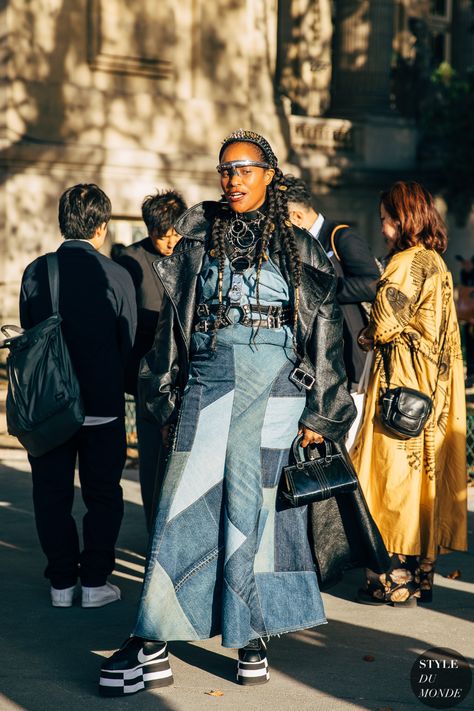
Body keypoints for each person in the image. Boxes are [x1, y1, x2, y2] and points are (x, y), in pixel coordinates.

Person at [99, 129, 355, 696]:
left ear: (269, 174)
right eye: (225, 170)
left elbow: (327, 330)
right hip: (210, 383)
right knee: (178, 508)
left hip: (278, 392)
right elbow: (172, 326)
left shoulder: (302, 246)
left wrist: (323, 413)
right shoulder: (196, 237)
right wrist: (165, 395)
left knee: (258, 511)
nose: (232, 179)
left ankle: (251, 637)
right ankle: (155, 640)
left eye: (244, 169)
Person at [19, 183, 137, 609]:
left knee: (50, 494)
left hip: (49, 407)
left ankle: (61, 583)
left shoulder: (37, 271)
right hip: (102, 404)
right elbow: (128, 340)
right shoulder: (119, 274)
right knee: (102, 494)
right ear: (102, 227)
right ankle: (94, 583)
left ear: (60, 222)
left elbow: (30, 331)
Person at [352, 180, 467, 606]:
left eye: (385, 220)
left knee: (387, 481)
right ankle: (421, 574)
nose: (382, 229)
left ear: (403, 221)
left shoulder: (404, 262)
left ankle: (392, 580)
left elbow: (383, 324)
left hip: (398, 389)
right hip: (430, 390)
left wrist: (366, 334)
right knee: (421, 480)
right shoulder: (436, 262)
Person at [285, 176, 380, 449]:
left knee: (351, 438)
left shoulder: (341, 236)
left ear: (296, 215)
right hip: (319, 352)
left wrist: (323, 290)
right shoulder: (300, 245)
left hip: (351, 351)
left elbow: (372, 283)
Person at [116, 190, 187, 529]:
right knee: (152, 463)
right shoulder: (130, 261)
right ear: (149, 229)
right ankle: (155, 532)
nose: (170, 241)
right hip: (149, 377)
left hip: (187, 374)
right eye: (162, 234)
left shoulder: (192, 256)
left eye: (175, 232)